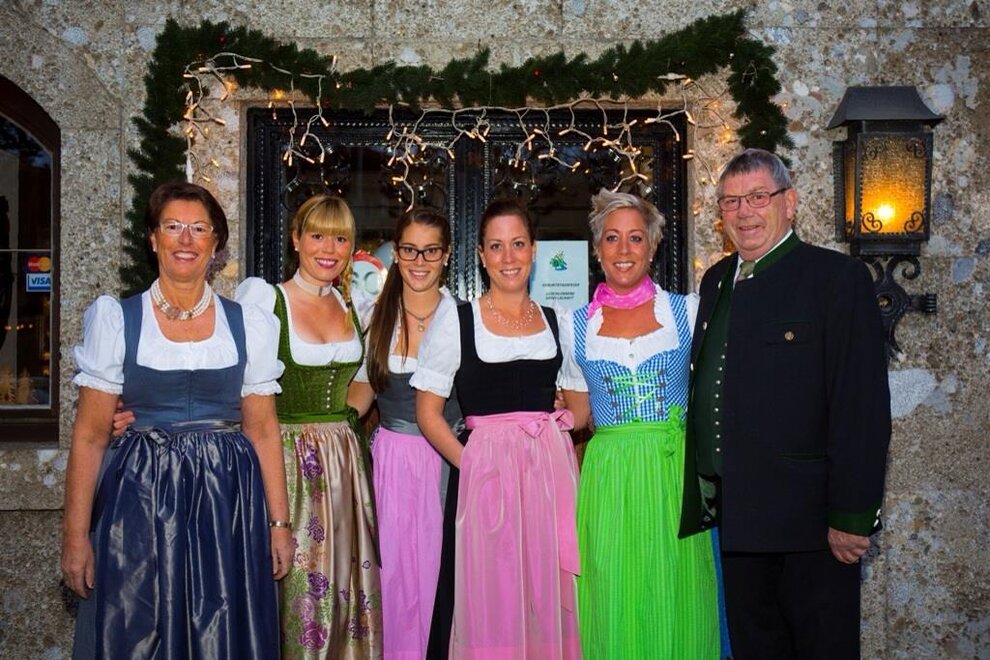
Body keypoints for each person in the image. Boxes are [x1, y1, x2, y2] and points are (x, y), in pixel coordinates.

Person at [61, 181, 292, 658]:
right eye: (173, 227)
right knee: (136, 629)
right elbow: (88, 437)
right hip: (138, 502)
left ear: (215, 244)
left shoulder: (248, 323)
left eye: (199, 229)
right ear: (153, 238)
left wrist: (278, 523)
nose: (186, 240)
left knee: (223, 631)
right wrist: (75, 536)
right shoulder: (116, 319)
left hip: (227, 502)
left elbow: (264, 430)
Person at [679, 148, 891, 659]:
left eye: (758, 197)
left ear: (789, 203)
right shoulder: (716, 280)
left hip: (812, 525)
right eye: (731, 202)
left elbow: (861, 406)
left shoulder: (835, 279)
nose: (744, 213)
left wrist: (852, 516)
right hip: (739, 520)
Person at [413, 199, 581, 658]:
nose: (509, 257)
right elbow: (428, 412)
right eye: (496, 246)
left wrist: (559, 414)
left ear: (534, 250)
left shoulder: (557, 321)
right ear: (481, 256)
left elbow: (580, 411)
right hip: (485, 482)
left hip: (546, 482)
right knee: (488, 594)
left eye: (518, 244)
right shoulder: (457, 321)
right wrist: (474, 465)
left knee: (546, 593)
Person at [558, 189, 722, 658]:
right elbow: (579, 415)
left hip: (674, 474)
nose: (623, 249)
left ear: (652, 246)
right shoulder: (575, 325)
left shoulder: (687, 312)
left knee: (677, 592)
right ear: (597, 250)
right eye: (612, 238)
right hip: (608, 476)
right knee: (612, 590)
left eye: (635, 238)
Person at [236, 195, 382, 658]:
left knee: (344, 589)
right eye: (317, 235)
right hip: (287, 464)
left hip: (344, 466)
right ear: (296, 239)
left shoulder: (352, 303)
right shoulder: (266, 302)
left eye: (340, 239)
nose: (329, 249)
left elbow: (365, 381)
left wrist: (338, 426)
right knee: (300, 589)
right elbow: (237, 391)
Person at [348, 207, 462, 660]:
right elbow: (362, 391)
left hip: (446, 463)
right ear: (396, 253)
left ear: (447, 255)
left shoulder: (463, 319)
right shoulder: (375, 317)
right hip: (391, 465)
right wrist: (324, 422)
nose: (420, 261)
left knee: (440, 575)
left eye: (431, 251)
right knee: (392, 579)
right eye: (410, 250)